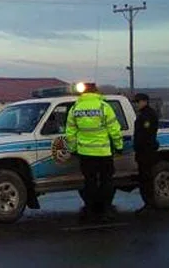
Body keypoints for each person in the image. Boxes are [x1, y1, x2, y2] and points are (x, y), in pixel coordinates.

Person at [65, 83, 123, 222]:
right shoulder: (104, 107)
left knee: (89, 182)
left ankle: (91, 211)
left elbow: (70, 133)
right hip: (103, 152)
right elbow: (114, 129)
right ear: (96, 91)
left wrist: (72, 149)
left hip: (85, 153)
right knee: (106, 182)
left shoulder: (75, 108)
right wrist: (119, 146)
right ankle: (106, 210)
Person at [133, 93, 160, 215]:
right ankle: (148, 204)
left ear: (145, 101)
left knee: (146, 179)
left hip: (146, 152)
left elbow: (145, 134)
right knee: (145, 178)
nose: (136, 104)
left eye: (138, 102)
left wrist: (138, 146)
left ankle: (149, 204)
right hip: (145, 151)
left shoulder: (148, 115)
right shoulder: (145, 114)